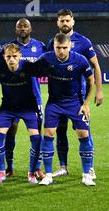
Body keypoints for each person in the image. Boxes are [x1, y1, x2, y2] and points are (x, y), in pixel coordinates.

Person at [27, 33, 95, 186]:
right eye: (58, 48)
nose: (62, 51)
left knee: (83, 134)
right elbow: (31, 69)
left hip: (75, 103)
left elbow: (91, 80)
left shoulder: (80, 60)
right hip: (55, 103)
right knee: (49, 134)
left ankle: (87, 174)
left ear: (70, 46)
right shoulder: (46, 58)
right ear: (54, 47)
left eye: (64, 47)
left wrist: (86, 103)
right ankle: (48, 175)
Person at [46, 9, 104, 179]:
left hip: (77, 97)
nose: (65, 23)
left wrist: (99, 90)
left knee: (84, 131)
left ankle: (89, 168)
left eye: (67, 20)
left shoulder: (84, 42)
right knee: (60, 131)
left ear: (73, 21)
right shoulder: (53, 42)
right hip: (57, 98)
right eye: (61, 21)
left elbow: (96, 66)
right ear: (57, 23)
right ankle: (63, 166)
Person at [0, 44, 42, 183]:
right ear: (4, 57)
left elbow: (47, 69)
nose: (11, 59)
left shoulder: (28, 67)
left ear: (20, 56)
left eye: (14, 56)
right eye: (8, 56)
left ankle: (31, 173)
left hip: (28, 107)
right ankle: (2, 172)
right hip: (8, 108)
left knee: (36, 139)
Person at [0, 18, 46, 179]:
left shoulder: (40, 46)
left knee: (37, 134)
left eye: (25, 26)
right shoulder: (9, 48)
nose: (23, 28)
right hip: (12, 99)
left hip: (34, 99)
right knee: (11, 133)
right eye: (20, 26)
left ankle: (37, 168)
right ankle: (9, 167)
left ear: (31, 28)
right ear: (16, 29)